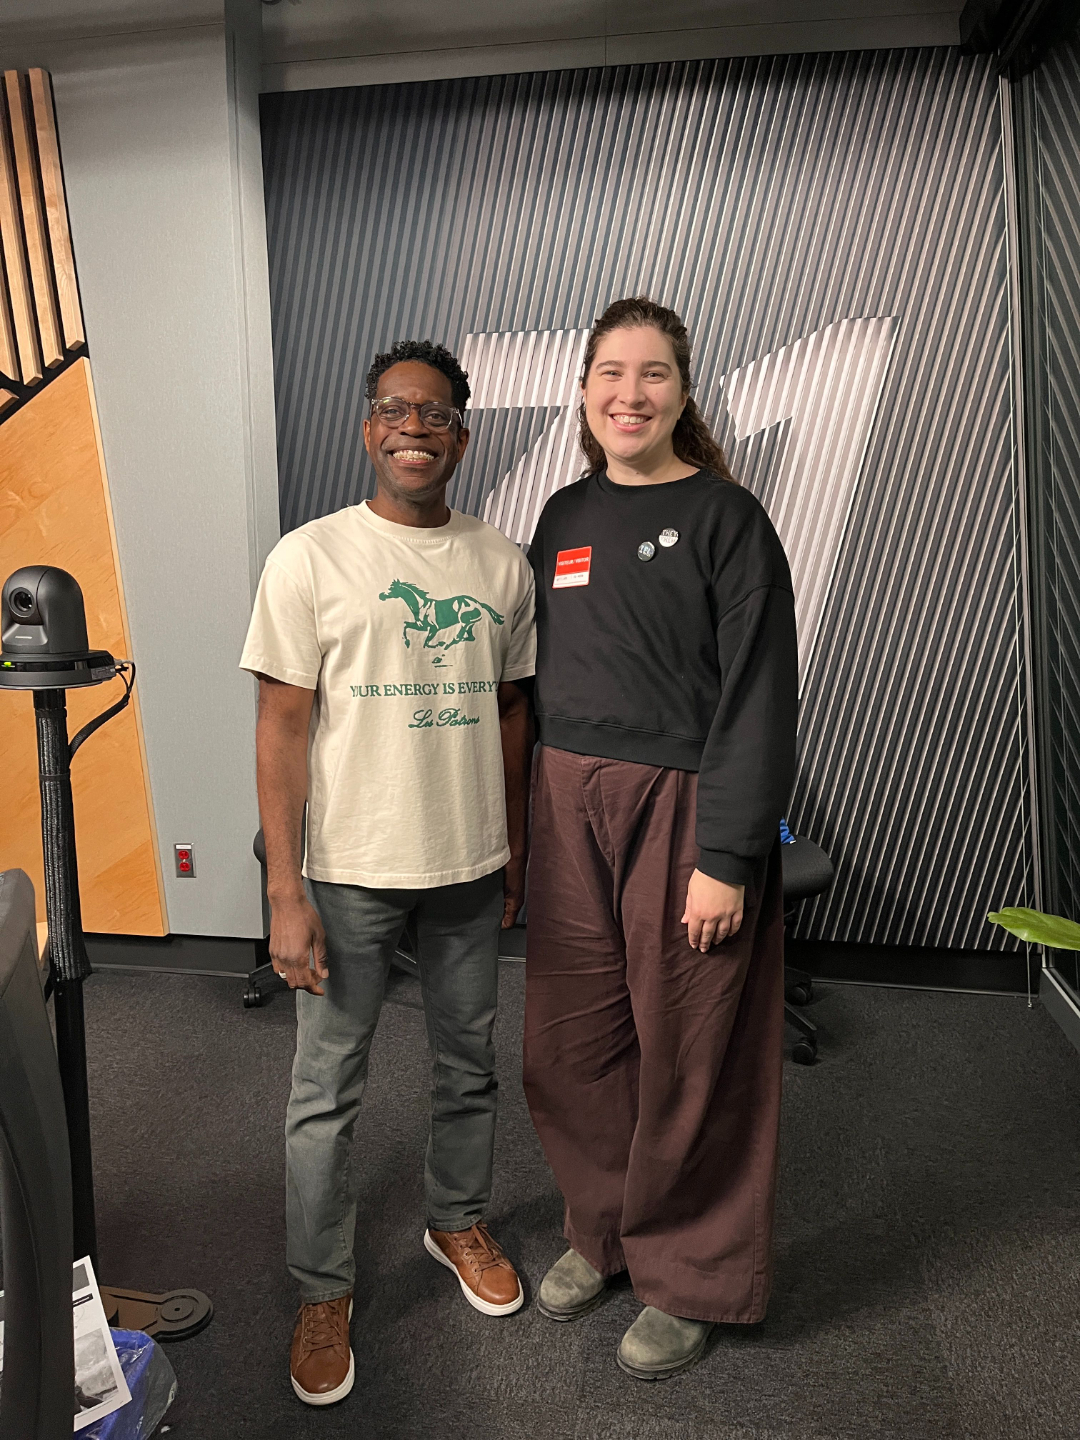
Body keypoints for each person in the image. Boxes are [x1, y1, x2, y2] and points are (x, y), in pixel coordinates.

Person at [240, 339, 535, 1407]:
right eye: (395, 408)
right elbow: (280, 722)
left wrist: (518, 847)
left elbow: (511, 711)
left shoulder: (501, 564)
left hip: (465, 862)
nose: (415, 425)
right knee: (327, 1090)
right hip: (348, 870)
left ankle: (456, 1217)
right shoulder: (309, 558)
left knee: (469, 1063)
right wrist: (284, 887)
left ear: (463, 432)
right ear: (370, 428)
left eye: (437, 412)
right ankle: (325, 1288)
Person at [523, 298, 798, 1380]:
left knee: (694, 1051)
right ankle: (602, 1229)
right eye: (608, 374)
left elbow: (760, 697)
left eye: (651, 375)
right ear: (584, 392)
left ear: (684, 392)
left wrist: (727, 854)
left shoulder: (729, 519)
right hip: (563, 798)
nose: (628, 394)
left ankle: (690, 1274)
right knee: (572, 1041)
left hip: (683, 806)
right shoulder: (562, 515)